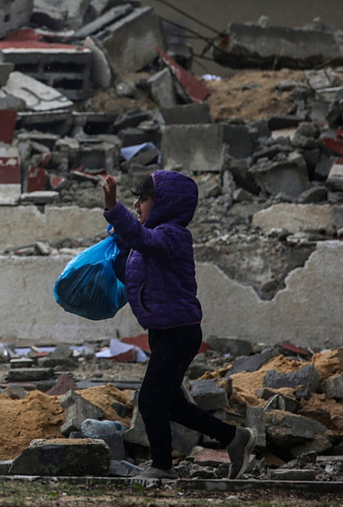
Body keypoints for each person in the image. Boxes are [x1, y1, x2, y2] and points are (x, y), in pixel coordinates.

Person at [101, 170, 255, 481]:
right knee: (170, 403)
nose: (137, 204)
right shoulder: (152, 240)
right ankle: (234, 438)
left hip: (180, 332)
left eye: (143, 199)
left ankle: (162, 466)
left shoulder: (173, 236)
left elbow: (145, 240)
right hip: (162, 331)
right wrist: (117, 247)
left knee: (150, 400)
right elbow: (131, 272)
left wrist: (113, 207)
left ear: (164, 204)